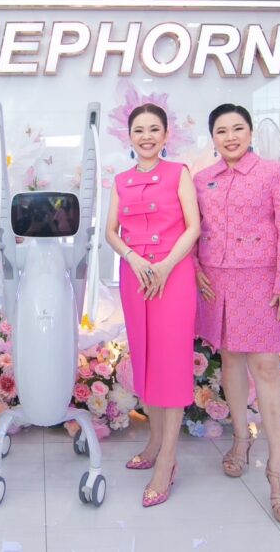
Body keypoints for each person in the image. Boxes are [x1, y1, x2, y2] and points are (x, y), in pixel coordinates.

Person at [194, 103, 280, 525]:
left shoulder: (274, 173)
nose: (230, 137)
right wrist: (195, 269)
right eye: (221, 131)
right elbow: (192, 228)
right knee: (230, 360)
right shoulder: (202, 179)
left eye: (237, 128)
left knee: (266, 367)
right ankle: (241, 439)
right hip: (216, 283)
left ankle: (278, 472)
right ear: (213, 138)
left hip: (262, 281)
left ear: (251, 132)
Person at [104, 104, 200, 507]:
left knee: (171, 365)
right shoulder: (121, 180)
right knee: (145, 360)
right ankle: (155, 441)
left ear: (165, 135)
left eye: (154, 129)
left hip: (173, 275)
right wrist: (132, 257)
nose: (146, 136)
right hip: (135, 275)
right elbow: (111, 232)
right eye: (139, 130)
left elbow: (193, 227)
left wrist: (164, 266)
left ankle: (167, 461)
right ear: (129, 136)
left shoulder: (179, 173)